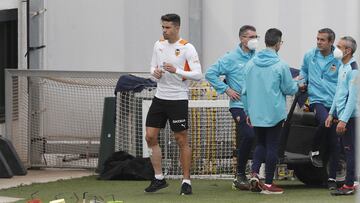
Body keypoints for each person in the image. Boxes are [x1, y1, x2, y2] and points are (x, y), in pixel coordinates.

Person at [144, 14, 202, 195]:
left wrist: (176, 70)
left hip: (178, 98)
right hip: (160, 98)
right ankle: (159, 178)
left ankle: (186, 181)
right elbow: (152, 67)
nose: (164, 30)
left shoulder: (187, 48)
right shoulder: (158, 44)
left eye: (168, 27)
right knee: (150, 136)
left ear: (177, 28)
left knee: (181, 139)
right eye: (163, 27)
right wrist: (156, 73)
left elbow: (198, 74)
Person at [243, 28, 299, 194]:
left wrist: (248, 112)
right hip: (274, 112)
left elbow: (244, 91)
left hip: (255, 111)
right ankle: (267, 183)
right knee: (272, 147)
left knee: (260, 143)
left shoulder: (250, 63)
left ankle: (254, 174)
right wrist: (299, 85)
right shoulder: (280, 65)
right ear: (278, 44)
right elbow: (289, 88)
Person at [205, 25, 258, 190]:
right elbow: (210, 73)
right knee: (249, 135)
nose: (254, 40)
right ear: (242, 39)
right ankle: (240, 174)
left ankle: (256, 175)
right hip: (239, 105)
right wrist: (226, 89)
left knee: (260, 138)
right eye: (251, 37)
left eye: (256, 36)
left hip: (258, 106)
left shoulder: (259, 57)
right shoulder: (231, 57)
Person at [298, 28, 342, 189]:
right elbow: (303, 70)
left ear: (331, 42)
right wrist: (301, 82)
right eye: (317, 39)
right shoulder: (310, 55)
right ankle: (314, 149)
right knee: (325, 121)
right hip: (317, 100)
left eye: (322, 40)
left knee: (335, 142)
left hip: (336, 103)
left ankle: (331, 179)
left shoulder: (339, 57)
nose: (318, 42)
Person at [325, 36, 358, 196]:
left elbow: (352, 98)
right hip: (343, 115)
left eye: (339, 46)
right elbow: (339, 92)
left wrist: (343, 120)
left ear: (348, 50)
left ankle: (349, 185)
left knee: (350, 151)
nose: (336, 49)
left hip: (352, 118)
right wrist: (332, 113)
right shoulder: (342, 66)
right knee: (347, 150)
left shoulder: (354, 69)